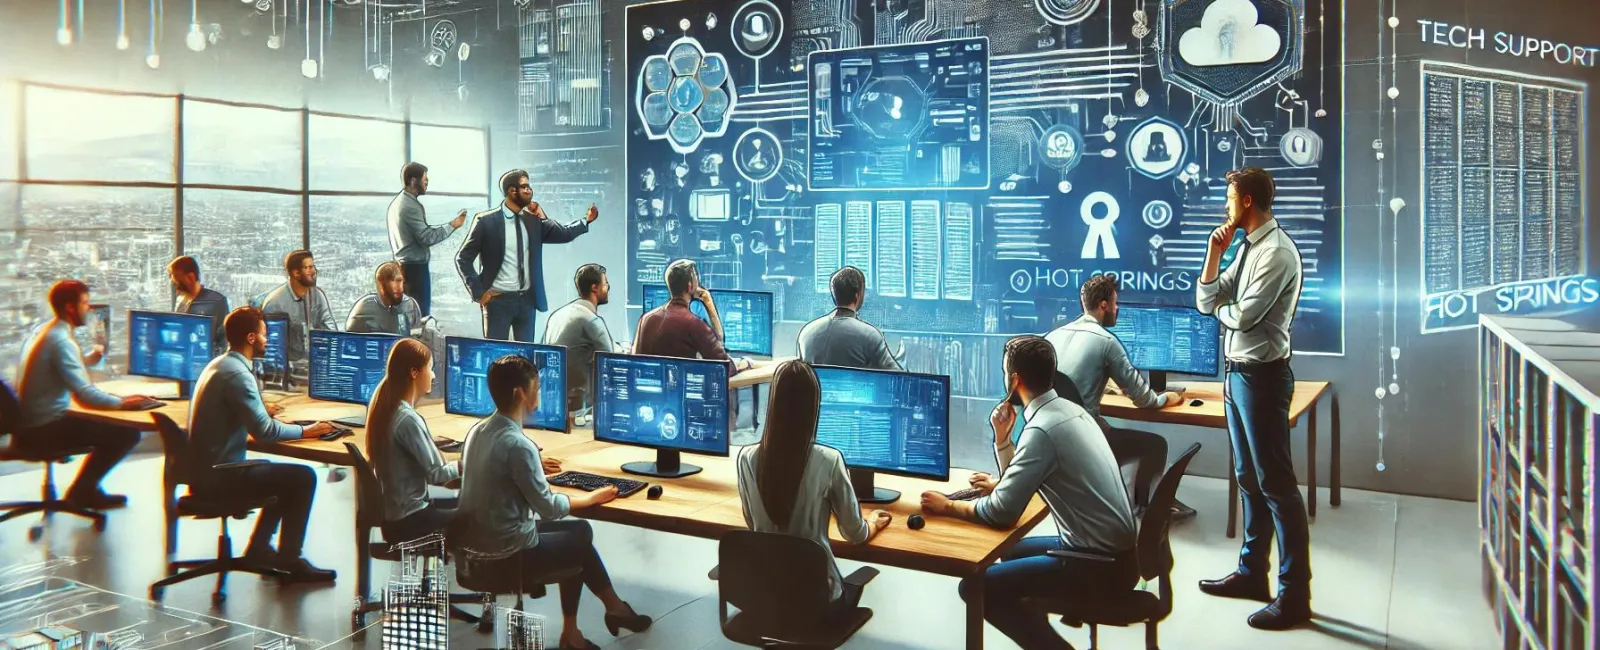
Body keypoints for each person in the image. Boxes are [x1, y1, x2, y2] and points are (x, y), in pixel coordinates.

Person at [919, 336, 1137, 650]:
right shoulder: (1067, 411)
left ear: (1015, 379)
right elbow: (1017, 486)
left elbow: (1001, 513)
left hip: (1096, 565)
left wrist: (947, 507)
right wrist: (1003, 440)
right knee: (1008, 552)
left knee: (975, 588)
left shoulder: (1042, 431)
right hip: (1116, 556)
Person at [453, 355, 651, 650]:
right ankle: (584, 627)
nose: (540, 392)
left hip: (474, 551)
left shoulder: (478, 432)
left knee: (577, 533)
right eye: (537, 386)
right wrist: (590, 498)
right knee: (581, 538)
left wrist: (532, 466)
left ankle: (606, 614)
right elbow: (547, 507)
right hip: (507, 554)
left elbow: (503, 470)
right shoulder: (519, 445)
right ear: (521, 393)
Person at [1195, 167, 1311, 630]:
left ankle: (1294, 595)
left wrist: (1224, 307)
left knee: (1278, 487)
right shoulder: (1247, 247)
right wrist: (1212, 254)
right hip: (1238, 376)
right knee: (1248, 479)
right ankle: (1251, 574)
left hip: (1262, 378)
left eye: (1229, 199)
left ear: (1245, 201)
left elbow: (1241, 317)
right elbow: (1207, 302)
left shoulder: (1277, 253)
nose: (1224, 207)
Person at [186, 307, 339, 582]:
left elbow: (234, 410)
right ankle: (290, 559)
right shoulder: (237, 374)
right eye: (264, 335)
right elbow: (265, 433)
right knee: (302, 477)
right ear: (251, 337)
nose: (268, 341)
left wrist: (257, 408)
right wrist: (308, 431)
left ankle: (258, 549)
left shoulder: (221, 364)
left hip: (204, 471)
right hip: (221, 475)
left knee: (273, 471)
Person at [735, 360, 891, 609]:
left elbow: (752, 522)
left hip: (765, 594)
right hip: (816, 602)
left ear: (772, 403)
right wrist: (872, 525)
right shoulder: (829, 461)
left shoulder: (746, 458)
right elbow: (854, 533)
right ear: (813, 407)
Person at [1044, 273, 1191, 517]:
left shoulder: (1052, 337)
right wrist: (1169, 397)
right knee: (1155, 445)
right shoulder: (1106, 342)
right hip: (1085, 439)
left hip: (1051, 438)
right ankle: (1145, 509)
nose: (1117, 308)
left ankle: (1121, 495)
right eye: (1115, 303)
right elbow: (1145, 400)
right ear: (1104, 306)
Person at [12, 280, 151, 510]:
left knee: (101, 424)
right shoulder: (61, 340)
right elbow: (85, 396)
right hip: (43, 430)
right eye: (85, 303)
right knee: (126, 434)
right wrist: (123, 404)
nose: (88, 309)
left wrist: (86, 359)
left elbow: (56, 367)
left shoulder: (46, 331)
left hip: (29, 426)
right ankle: (82, 492)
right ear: (69, 307)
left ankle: (87, 489)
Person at [456, 169, 597, 343]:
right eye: (524, 186)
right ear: (511, 191)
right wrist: (478, 293)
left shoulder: (533, 221)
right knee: (495, 355)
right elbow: (463, 258)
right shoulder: (486, 222)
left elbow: (563, 233)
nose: (529, 190)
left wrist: (586, 220)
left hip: (527, 302)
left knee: (525, 358)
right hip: (497, 302)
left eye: (529, 186)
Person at [365, 338, 458, 543]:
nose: (433, 376)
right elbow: (438, 475)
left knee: (460, 502)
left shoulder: (386, 405)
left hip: (394, 518)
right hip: (410, 522)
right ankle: (473, 573)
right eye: (430, 368)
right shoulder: (408, 419)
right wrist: (468, 462)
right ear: (414, 372)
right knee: (478, 515)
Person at [632, 259, 752, 373]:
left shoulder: (645, 319)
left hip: (646, 393)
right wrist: (745, 364)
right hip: (679, 393)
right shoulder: (694, 324)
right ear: (690, 286)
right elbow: (724, 366)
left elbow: (634, 361)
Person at [388, 162, 468, 316]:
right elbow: (427, 237)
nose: (427, 182)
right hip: (414, 271)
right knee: (420, 316)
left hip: (406, 268)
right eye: (425, 179)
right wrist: (453, 225)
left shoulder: (399, 202)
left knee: (412, 316)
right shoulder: (409, 206)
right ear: (413, 180)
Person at [541, 263, 620, 413]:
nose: (608, 288)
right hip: (581, 408)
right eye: (606, 284)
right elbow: (610, 358)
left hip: (555, 402)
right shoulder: (590, 320)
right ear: (594, 288)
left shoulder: (557, 315)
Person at [796, 266, 900, 371]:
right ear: (857, 295)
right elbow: (896, 376)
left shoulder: (806, 332)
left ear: (834, 293)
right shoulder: (869, 335)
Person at [260, 250, 337, 365]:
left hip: (315, 365)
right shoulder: (275, 303)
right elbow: (272, 349)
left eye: (313, 267)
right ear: (296, 273)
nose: (314, 271)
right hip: (288, 371)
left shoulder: (317, 295)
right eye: (309, 267)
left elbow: (331, 330)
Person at [168, 255, 231, 356]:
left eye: (179, 283)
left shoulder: (216, 302)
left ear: (191, 277)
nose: (177, 289)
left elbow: (224, 340)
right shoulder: (181, 301)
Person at [346, 261, 424, 336]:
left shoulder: (410, 304)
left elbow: (416, 336)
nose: (398, 287)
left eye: (399, 281)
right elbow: (351, 337)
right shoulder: (365, 306)